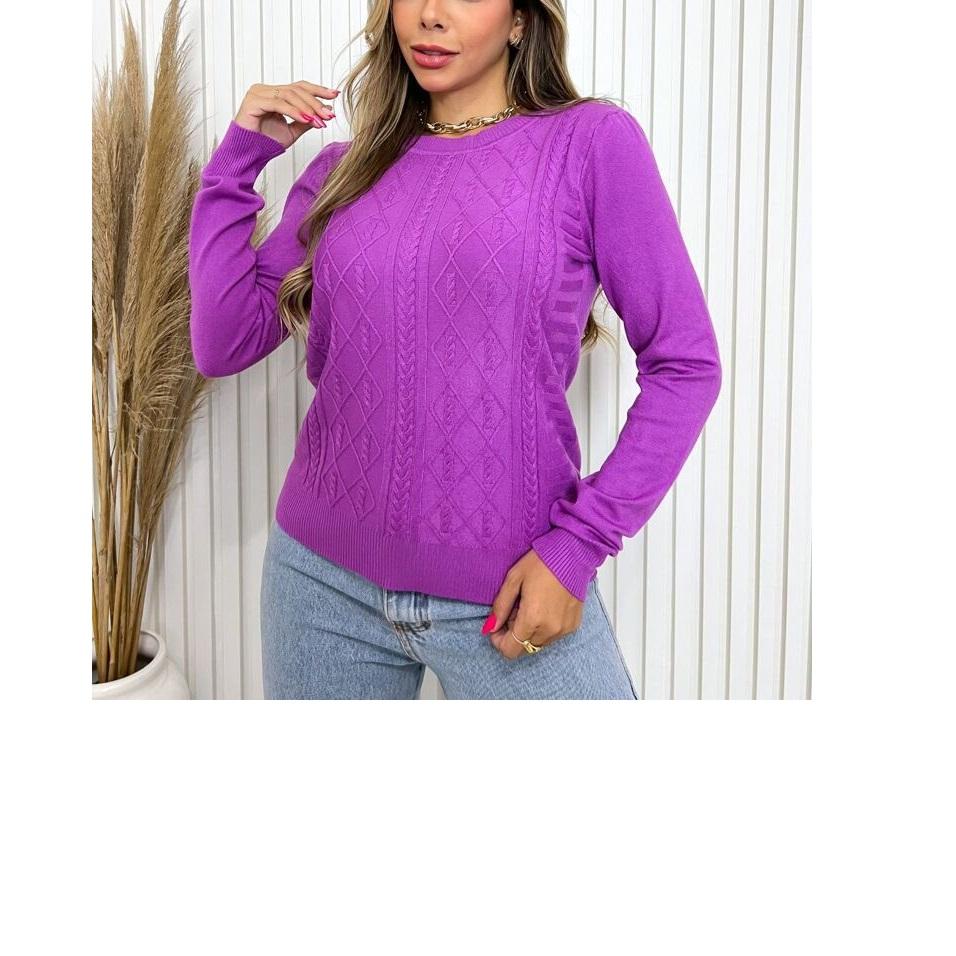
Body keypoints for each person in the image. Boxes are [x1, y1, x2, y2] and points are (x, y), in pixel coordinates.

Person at [187, 0, 722, 699]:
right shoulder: (345, 169)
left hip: (512, 589)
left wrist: (577, 548)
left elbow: (686, 364)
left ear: (521, 20)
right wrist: (236, 163)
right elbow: (223, 342)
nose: (431, 15)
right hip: (319, 584)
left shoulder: (589, 142)